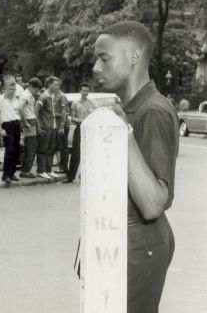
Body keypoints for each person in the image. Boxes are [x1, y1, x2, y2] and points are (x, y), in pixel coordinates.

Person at [92, 21, 179, 313]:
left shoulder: (152, 110)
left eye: (104, 58)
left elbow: (154, 203)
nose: (95, 67)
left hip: (138, 246)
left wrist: (123, 133)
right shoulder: (131, 108)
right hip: (121, 242)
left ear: (133, 57)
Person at [63, 83, 96, 184]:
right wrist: (83, 120)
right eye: (83, 91)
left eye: (87, 91)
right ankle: (71, 176)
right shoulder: (75, 103)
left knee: (89, 152)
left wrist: (89, 121)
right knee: (76, 153)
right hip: (79, 128)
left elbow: (94, 116)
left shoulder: (91, 104)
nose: (85, 93)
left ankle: (85, 174)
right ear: (80, 91)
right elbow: (73, 118)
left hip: (89, 130)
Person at [0, 75, 22, 183]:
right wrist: (0, 129)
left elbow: (18, 113)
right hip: (7, 125)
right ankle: (5, 175)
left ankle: (12, 172)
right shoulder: (1, 99)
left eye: (13, 89)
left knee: (16, 151)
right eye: (10, 89)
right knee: (9, 150)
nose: (12, 91)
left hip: (16, 124)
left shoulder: (16, 99)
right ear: (5, 88)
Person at [34, 76, 61, 179]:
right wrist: (39, 126)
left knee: (51, 149)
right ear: (49, 84)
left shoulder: (52, 96)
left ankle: (48, 170)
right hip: (45, 126)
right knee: (42, 149)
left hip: (52, 126)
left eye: (57, 85)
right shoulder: (43, 96)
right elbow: (36, 110)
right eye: (55, 85)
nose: (57, 87)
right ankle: (41, 170)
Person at [18, 77, 42, 178]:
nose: (36, 92)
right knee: (30, 147)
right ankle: (25, 171)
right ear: (31, 87)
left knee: (31, 146)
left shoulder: (30, 95)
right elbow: (20, 107)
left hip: (31, 121)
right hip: (29, 121)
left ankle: (26, 169)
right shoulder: (26, 95)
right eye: (36, 89)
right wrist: (25, 121)